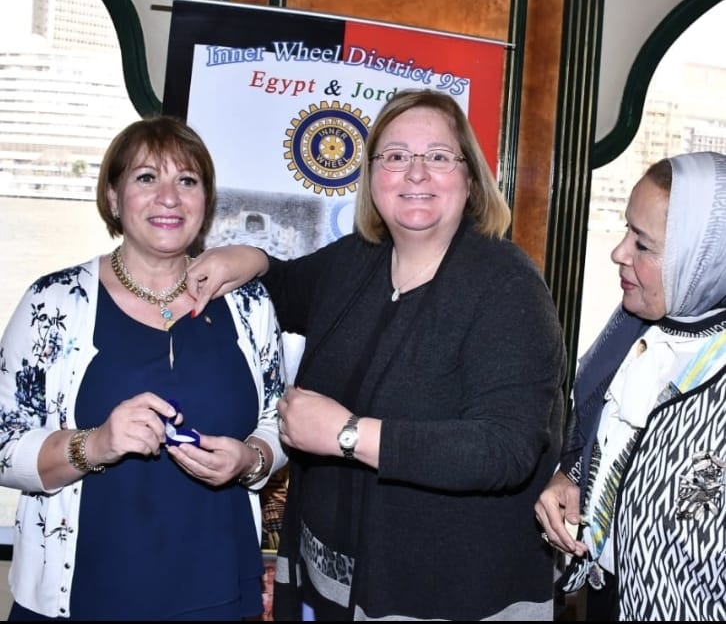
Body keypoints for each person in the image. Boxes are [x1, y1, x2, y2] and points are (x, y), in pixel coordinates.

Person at [186, 88, 567, 620]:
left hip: (448, 596)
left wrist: (348, 435)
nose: (416, 172)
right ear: (371, 176)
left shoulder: (507, 285)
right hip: (333, 581)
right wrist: (248, 257)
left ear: (470, 177)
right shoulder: (358, 259)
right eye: (396, 156)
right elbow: (289, 288)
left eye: (438, 156)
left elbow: (505, 448)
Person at [0, 115, 287, 620]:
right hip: (84, 592)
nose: (169, 197)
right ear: (113, 198)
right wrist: (95, 444)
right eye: (147, 177)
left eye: (187, 180)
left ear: (206, 201)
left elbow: (277, 422)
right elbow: (3, 443)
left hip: (214, 587)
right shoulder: (53, 302)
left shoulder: (248, 304)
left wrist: (252, 460)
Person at [534, 151, 726, 621]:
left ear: (702, 260)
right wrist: (570, 477)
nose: (619, 252)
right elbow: (606, 440)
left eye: (643, 244)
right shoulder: (631, 329)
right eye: (626, 231)